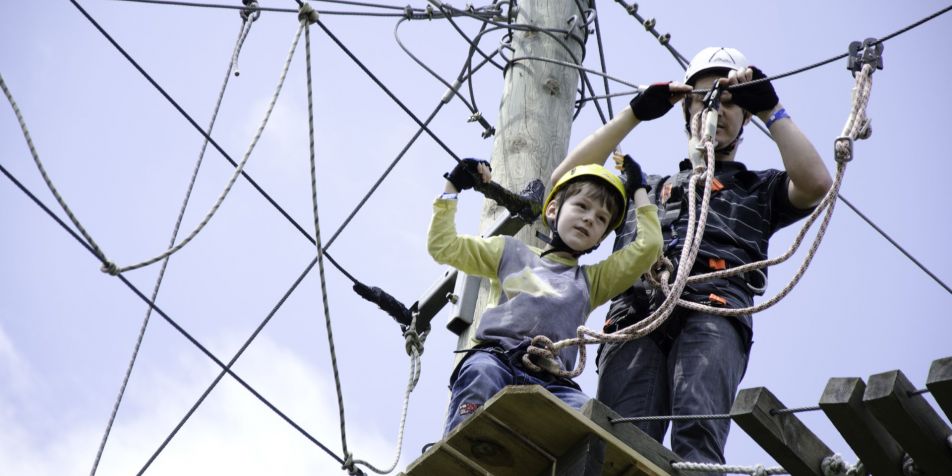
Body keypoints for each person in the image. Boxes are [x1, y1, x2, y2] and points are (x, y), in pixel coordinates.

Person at [550, 47, 833, 468]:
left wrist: (771, 108)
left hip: (714, 310)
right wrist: (635, 113)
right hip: (636, 316)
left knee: (697, 439)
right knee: (616, 446)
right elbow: (563, 182)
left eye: (732, 102)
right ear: (685, 109)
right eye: (702, 97)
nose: (716, 107)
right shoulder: (642, 188)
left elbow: (815, 183)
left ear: (746, 118)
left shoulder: (759, 188)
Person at [429, 157, 662, 435]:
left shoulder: (592, 281)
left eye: (601, 219)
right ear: (553, 209)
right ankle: (460, 446)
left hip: (553, 382)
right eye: (582, 206)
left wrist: (639, 189)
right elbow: (443, 246)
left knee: (590, 422)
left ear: (600, 238)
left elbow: (650, 246)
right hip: (497, 358)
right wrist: (452, 186)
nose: (590, 218)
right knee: (481, 375)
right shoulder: (510, 252)